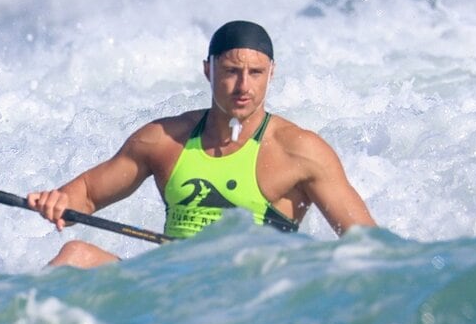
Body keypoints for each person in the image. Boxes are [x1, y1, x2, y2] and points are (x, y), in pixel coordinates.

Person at [25, 20, 377, 268]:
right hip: (171, 285)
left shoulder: (300, 152)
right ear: (208, 70)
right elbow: (85, 194)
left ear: (271, 73)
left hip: (251, 299)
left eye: (255, 73)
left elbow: (370, 247)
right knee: (76, 255)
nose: (243, 86)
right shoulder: (163, 140)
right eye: (230, 72)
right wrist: (59, 201)